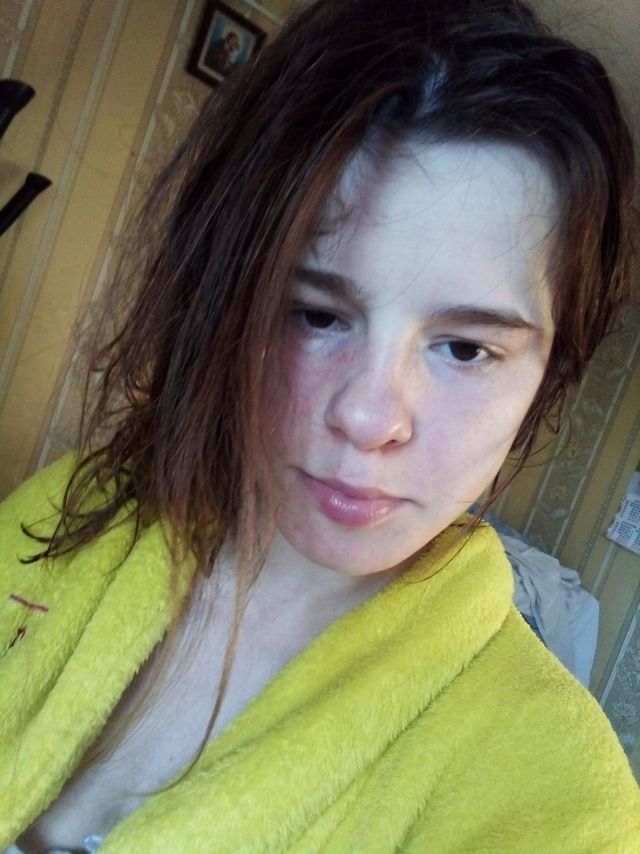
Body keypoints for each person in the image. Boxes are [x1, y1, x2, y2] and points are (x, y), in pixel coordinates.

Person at [1, 0, 638, 850]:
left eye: (465, 348)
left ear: (547, 376)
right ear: (225, 300)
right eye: (316, 315)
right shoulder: (74, 508)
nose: (370, 417)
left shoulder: (559, 801)